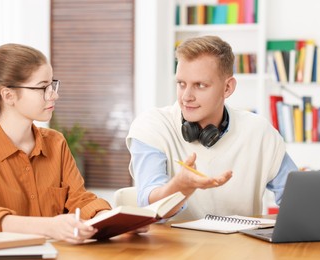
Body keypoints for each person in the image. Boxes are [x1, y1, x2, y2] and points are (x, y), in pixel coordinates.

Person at [0, 43, 112, 244]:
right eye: (43, 87)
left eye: (52, 85)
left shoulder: (55, 142)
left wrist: (113, 220)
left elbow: (81, 200)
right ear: (8, 95)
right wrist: (49, 227)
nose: (54, 94)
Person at [126, 35, 298, 221]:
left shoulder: (259, 131)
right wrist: (180, 187)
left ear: (227, 88)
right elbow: (150, 208)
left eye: (200, 85)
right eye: (181, 84)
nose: (186, 97)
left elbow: (298, 199)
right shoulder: (152, 126)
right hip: (174, 248)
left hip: (241, 247)